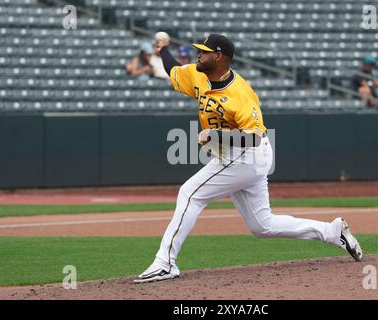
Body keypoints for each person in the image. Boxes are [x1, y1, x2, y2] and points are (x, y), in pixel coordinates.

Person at [134, 33, 363, 284]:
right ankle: (332, 232)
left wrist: (216, 135)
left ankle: (165, 262)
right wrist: (163, 49)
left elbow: (253, 138)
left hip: (248, 154)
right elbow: (174, 70)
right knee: (262, 226)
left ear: (219, 56)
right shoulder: (198, 74)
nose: (199, 54)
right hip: (238, 156)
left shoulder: (240, 94)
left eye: (204, 51)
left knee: (190, 194)